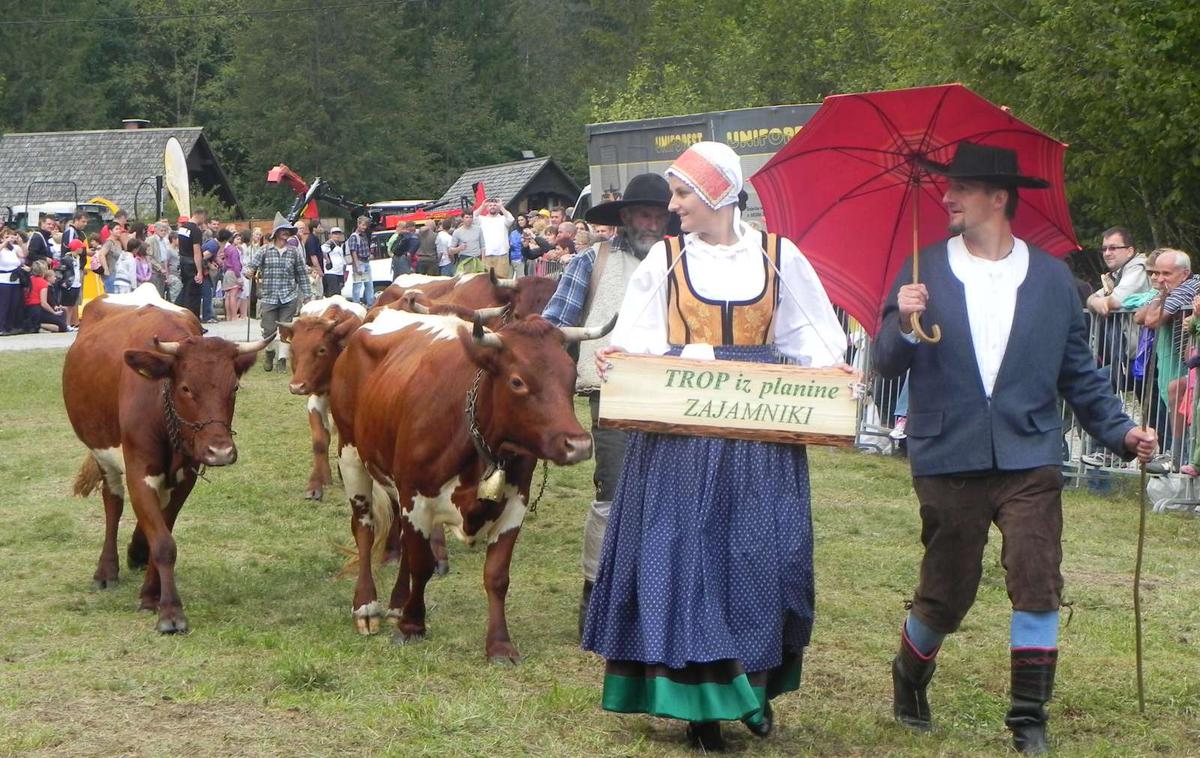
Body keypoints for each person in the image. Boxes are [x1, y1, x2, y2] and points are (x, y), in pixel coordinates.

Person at [873, 142, 1157, 755]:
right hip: (947, 451)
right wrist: (902, 319)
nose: (946, 197)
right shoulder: (923, 268)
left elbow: (1078, 373)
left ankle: (1029, 718)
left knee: (1037, 578)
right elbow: (885, 364)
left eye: (961, 189)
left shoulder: (1053, 277)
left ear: (998, 198)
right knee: (947, 588)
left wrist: (1121, 430)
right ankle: (909, 674)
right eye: (947, 187)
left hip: (1029, 452)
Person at [584, 143, 850, 751]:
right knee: (691, 556)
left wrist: (837, 373)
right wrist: (621, 356)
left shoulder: (779, 258)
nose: (673, 207)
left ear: (719, 195)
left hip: (759, 437)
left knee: (763, 557)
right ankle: (703, 704)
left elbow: (817, 340)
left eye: (683, 194)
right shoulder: (668, 263)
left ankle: (752, 688)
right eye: (675, 194)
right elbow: (636, 338)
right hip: (684, 435)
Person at [542, 173, 672, 636]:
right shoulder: (590, 263)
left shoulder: (682, 264)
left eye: (660, 216)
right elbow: (552, 326)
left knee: (669, 501)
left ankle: (655, 599)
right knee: (612, 496)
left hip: (675, 397)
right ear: (624, 218)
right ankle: (595, 597)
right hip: (612, 393)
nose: (652, 224)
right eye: (643, 215)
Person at [1134, 248, 1199, 473]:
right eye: (1156, 273)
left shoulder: (1187, 289)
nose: (1159, 279)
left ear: (1184, 273)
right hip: (1192, 363)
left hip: (1192, 362)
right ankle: (1180, 456)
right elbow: (1138, 317)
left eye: (1166, 274)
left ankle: (1180, 457)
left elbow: (1151, 319)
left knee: (1178, 390)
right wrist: (1162, 294)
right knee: (1176, 390)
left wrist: (1162, 296)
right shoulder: (1174, 289)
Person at [244, 218, 313, 372]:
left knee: (285, 329)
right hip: (268, 296)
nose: (286, 233)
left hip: (289, 296)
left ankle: (281, 360)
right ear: (276, 233)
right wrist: (248, 272)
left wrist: (308, 294)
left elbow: (301, 274)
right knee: (268, 329)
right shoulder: (264, 250)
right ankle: (269, 353)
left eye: (288, 230)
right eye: (283, 230)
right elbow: (250, 266)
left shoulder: (294, 252)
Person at [175, 208, 207, 317]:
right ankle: (192, 319)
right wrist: (199, 271)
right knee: (193, 294)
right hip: (191, 264)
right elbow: (197, 252)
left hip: (183, 262)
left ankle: (178, 312)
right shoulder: (195, 230)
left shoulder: (182, 228)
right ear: (201, 216)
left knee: (185, 290)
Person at [24, 259, 69, 333]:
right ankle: (37, 325)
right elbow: (44, 303)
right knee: (62, 326)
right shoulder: (43, 283)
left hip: (28, 309)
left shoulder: (29, 279)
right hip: (37, 309)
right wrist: (53, 312)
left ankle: (36, 325)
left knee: (57, 323)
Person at [475, 197, 514, 276]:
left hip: (502, 254)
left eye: (495, 205)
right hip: (486, 255)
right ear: (487, 208)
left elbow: (511, 219)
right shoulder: (482, 219)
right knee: (487, 281)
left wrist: (501, 206)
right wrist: (482, 206)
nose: (492, 206)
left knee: (502, 280)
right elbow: (473, 217)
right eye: (490, 205)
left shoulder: (503, 219)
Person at [0, 228, 25, 335]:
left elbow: (24, 255)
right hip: (4, 280)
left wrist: (20, 243)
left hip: (15, 279)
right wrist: (5, 242)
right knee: (4, 304)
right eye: (6, 237)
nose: (9, 239)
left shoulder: (15, 248)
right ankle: (2, 327)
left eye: (11, 236)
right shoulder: (2, 250)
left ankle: (10, 326)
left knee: (14, 304)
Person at [347, 215, 375, 306]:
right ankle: (356, 303)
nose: (364, 227)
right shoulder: (354, 236)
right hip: (359, 262)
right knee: (358, 285)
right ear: (358, 224)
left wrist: (369, 254)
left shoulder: (364, 235)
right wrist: (357, 266)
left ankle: (370, 303)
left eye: (365, 225)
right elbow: (353, 252)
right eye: (363, 225)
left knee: (369, 284)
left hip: (366, 262)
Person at [221, 230, 245, 320]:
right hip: (233, 272)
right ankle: (234, 316)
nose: (239, 241)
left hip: (227, 273)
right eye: (237, 239)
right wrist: (238, 276)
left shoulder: (227, 249)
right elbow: (236, 264)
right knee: (233, 295)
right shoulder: (234, 250)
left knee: (227, 295)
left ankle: (228, 316)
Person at [320, 226, 349, 296]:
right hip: (331, 272)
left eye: (338, 234)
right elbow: (321, 250)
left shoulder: (338, 245)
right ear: (331, 235)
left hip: (339, 273)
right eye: (335, 233)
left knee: (338, 293)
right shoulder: (330, 243)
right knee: (334, 294)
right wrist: (328, 260)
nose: (337, 235)